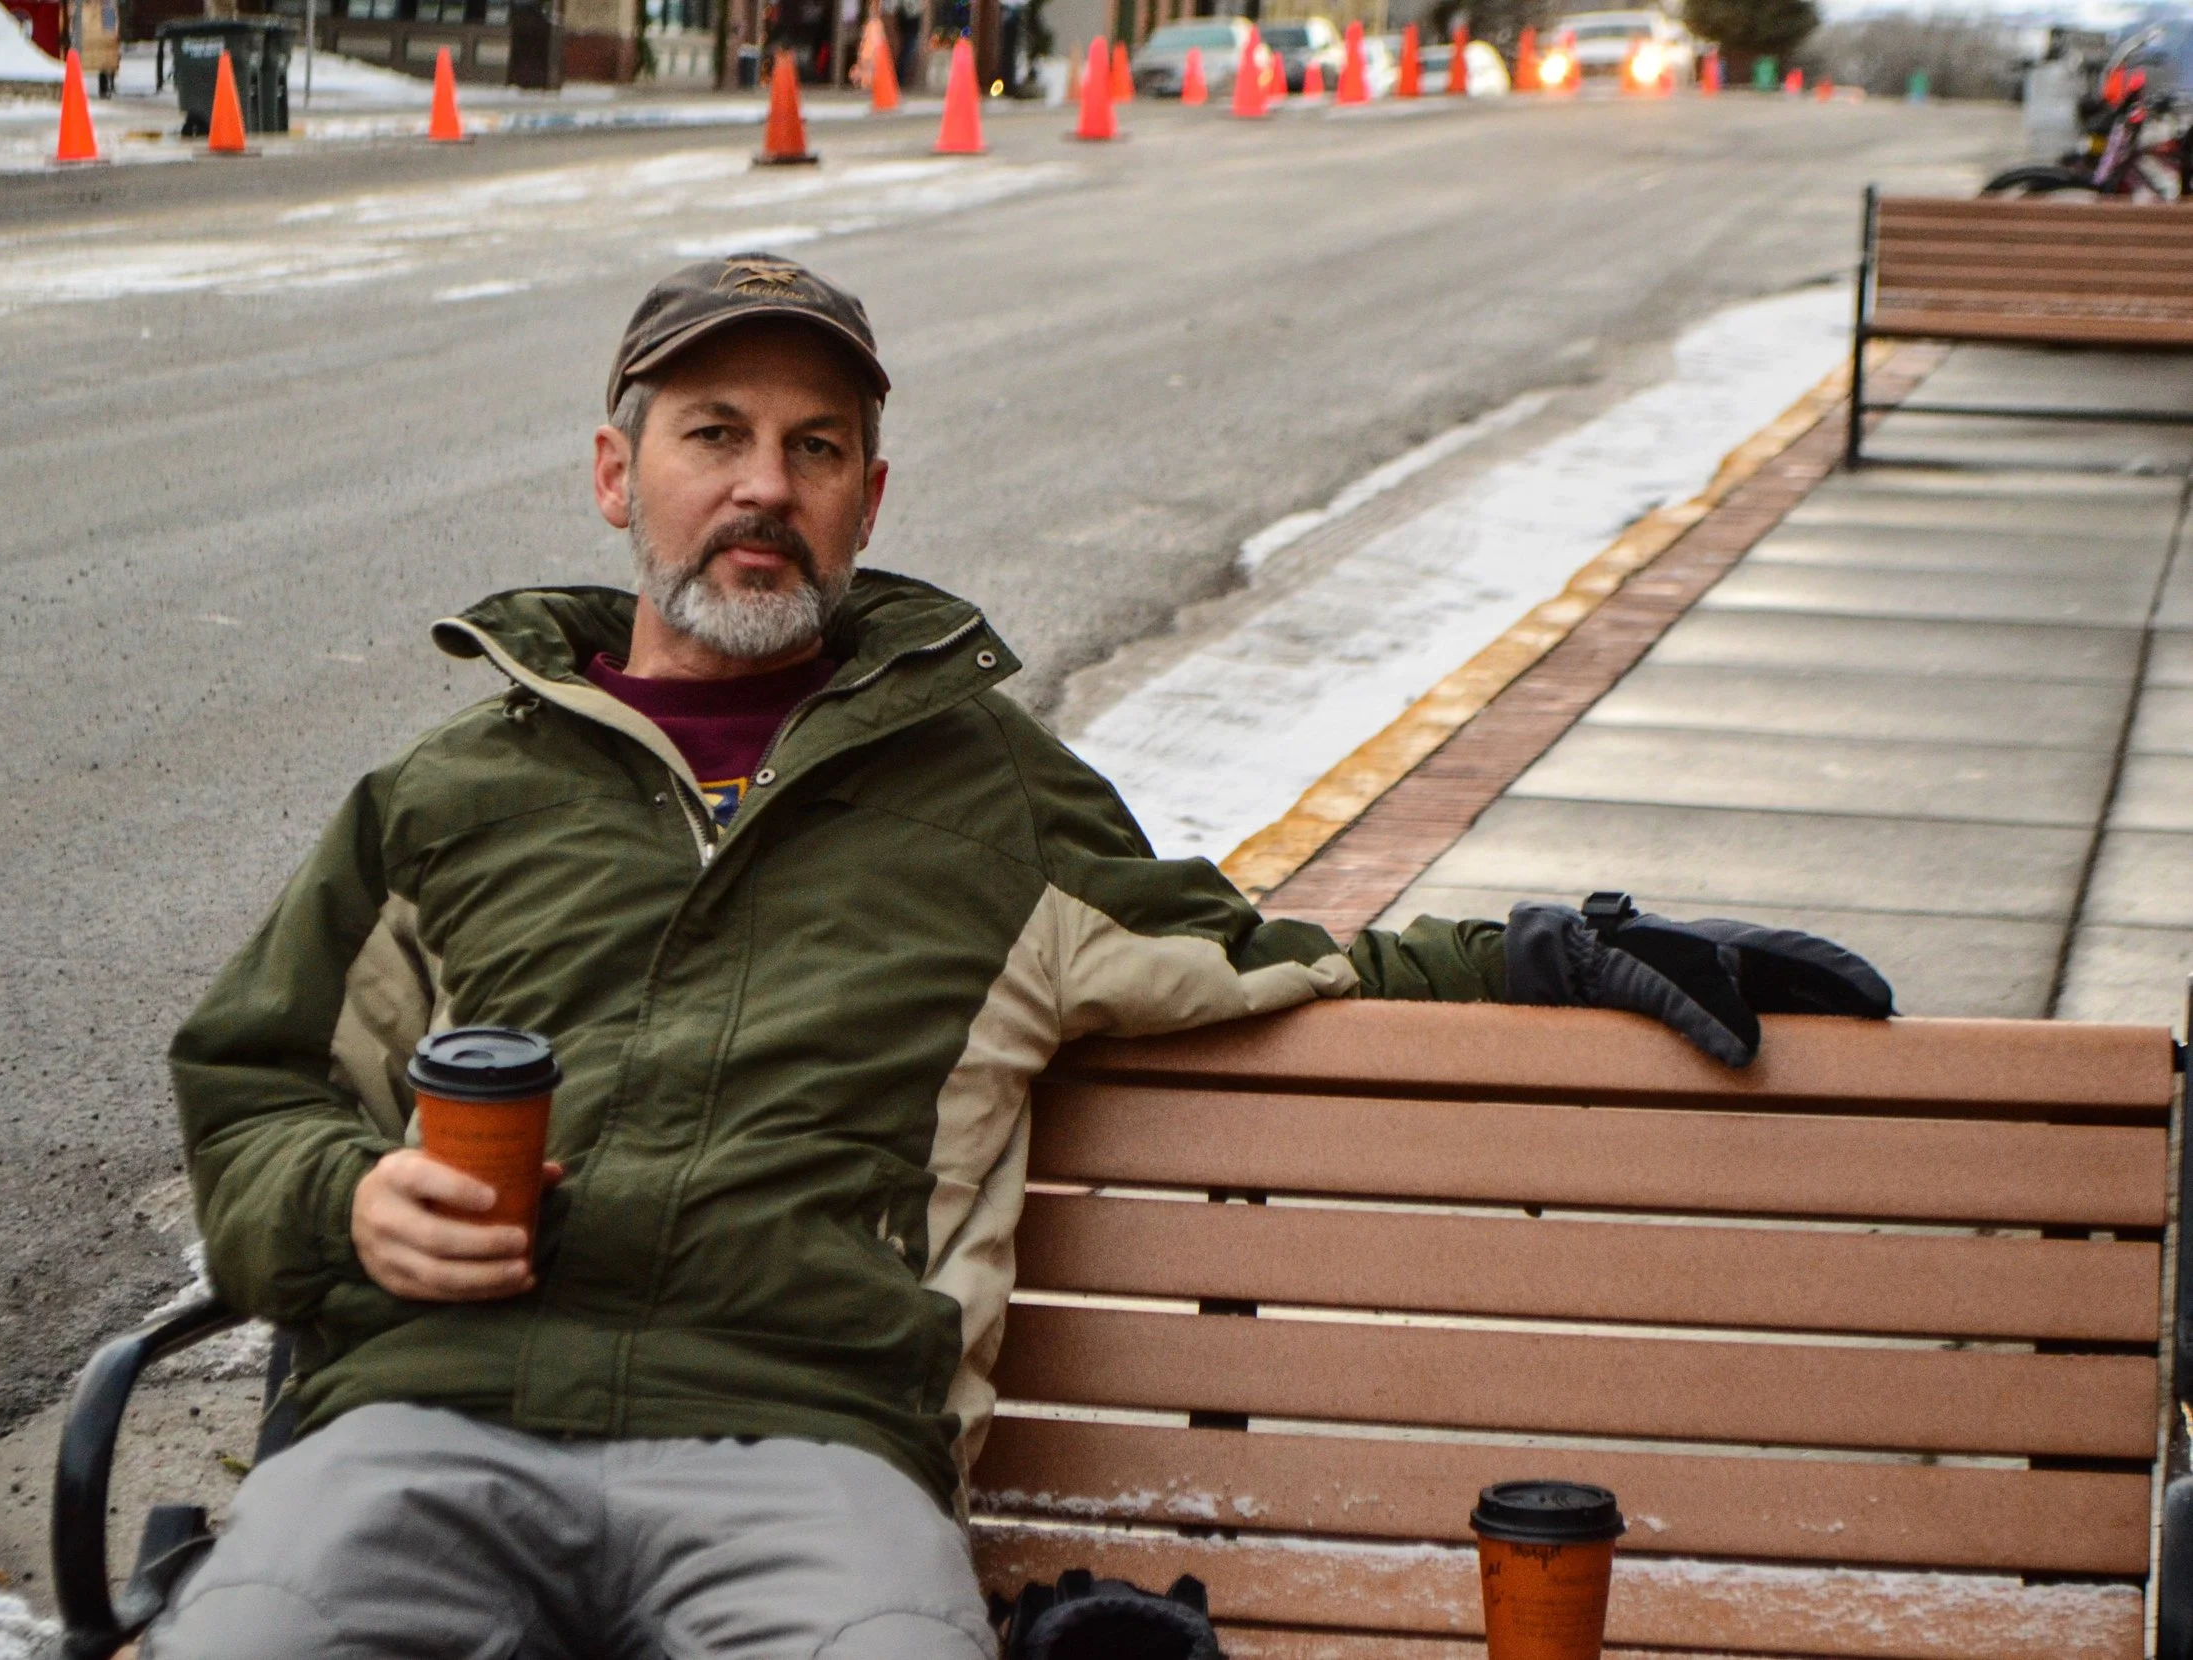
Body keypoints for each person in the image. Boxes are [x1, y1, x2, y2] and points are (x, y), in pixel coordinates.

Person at [143, 254, 1889, 1659]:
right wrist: (344, 1204)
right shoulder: (448, 797)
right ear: (618, 473)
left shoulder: (992, 802)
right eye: (713, 433)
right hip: (423, 1429)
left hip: (804, 1452)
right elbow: (256, 1085)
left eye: (815, 448)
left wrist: (1551, 956)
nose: (764, 485)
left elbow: (1264, 957)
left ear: (867, 497)